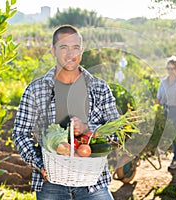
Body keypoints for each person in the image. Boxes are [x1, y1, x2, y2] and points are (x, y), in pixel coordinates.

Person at [12, 24, 120, 200]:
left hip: (93, 184)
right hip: (51, 185)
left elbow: (118, 132)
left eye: (75, 48)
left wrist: (87, 129)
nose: (71, 54)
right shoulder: (36, 90)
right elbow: (20, 133)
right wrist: (40, 164)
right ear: (53, 50)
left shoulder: (99, 88)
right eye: (64, 47)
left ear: (82, 50)